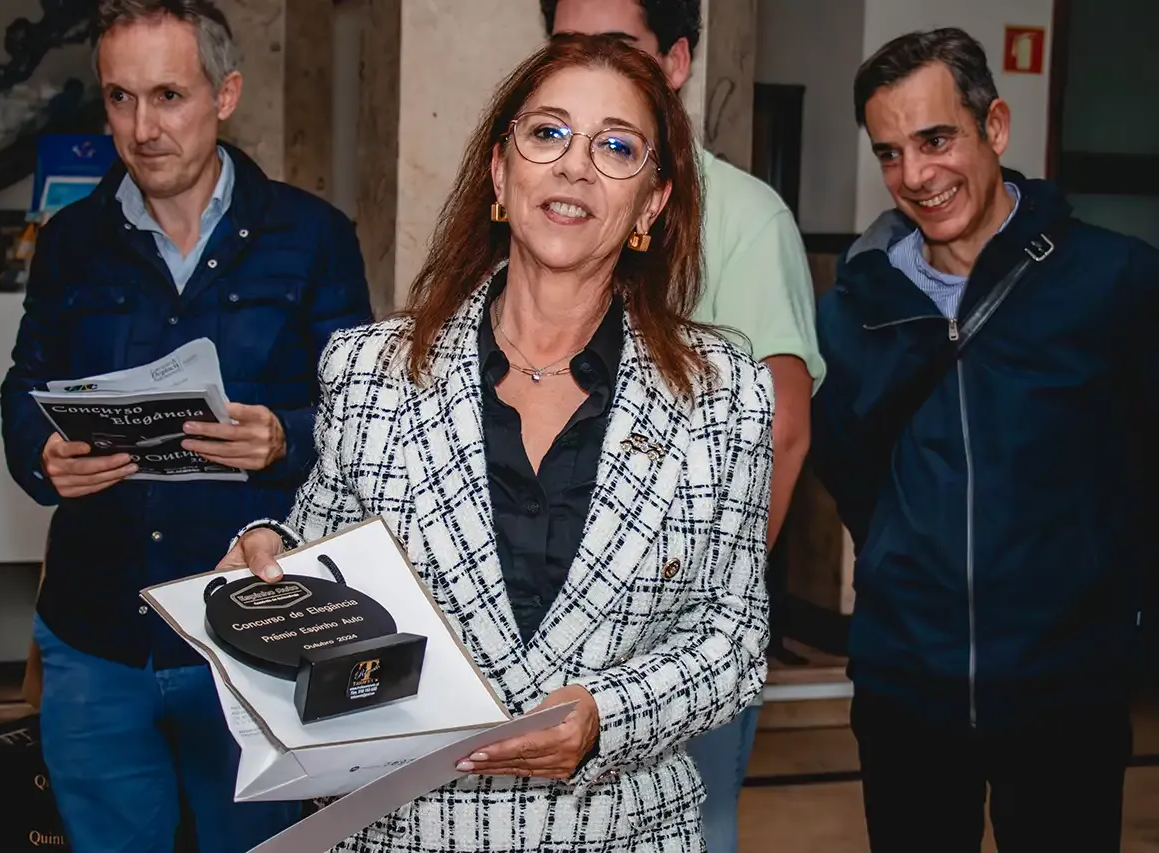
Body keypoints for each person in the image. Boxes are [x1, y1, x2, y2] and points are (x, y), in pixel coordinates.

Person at [219, 33, 773, 852]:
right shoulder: (370, 372)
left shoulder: (722, 394)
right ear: (500, 172)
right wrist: (270, 558)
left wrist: (606, 717)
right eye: (548, 133)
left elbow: (734, 635)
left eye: (617, 147)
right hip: (406, 832)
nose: (574, 166)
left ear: (652, 205)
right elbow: (319, 557)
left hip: (622, 831)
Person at [0, 1, 372, 850]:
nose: (142, 128)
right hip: (98, 634)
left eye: (168, 95)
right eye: (119, 98)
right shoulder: (70, 241)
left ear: (225, 94)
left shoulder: (312, 237)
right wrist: (42, 453)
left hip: (256, 634)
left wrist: (286, 436)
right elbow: (24, 386)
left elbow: (362, 421)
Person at [811, 27, 1159, 853]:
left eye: (936, 140)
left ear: (994, 127)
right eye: (890, 152)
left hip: (1065, 694)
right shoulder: (856, 308)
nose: (915, 175)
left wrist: (1120, 620)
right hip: (906, 695)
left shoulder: (1117, 282)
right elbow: (849, 472)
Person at [541, 3, 825, 850]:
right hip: (545, 624)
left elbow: (783, 431)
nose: (589, 64)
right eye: (567, 47)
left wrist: (707, 620)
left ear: (674, 61)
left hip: (671, 638)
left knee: (689, 829)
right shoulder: (543, 198)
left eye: (616, 46)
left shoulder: (743, 214)